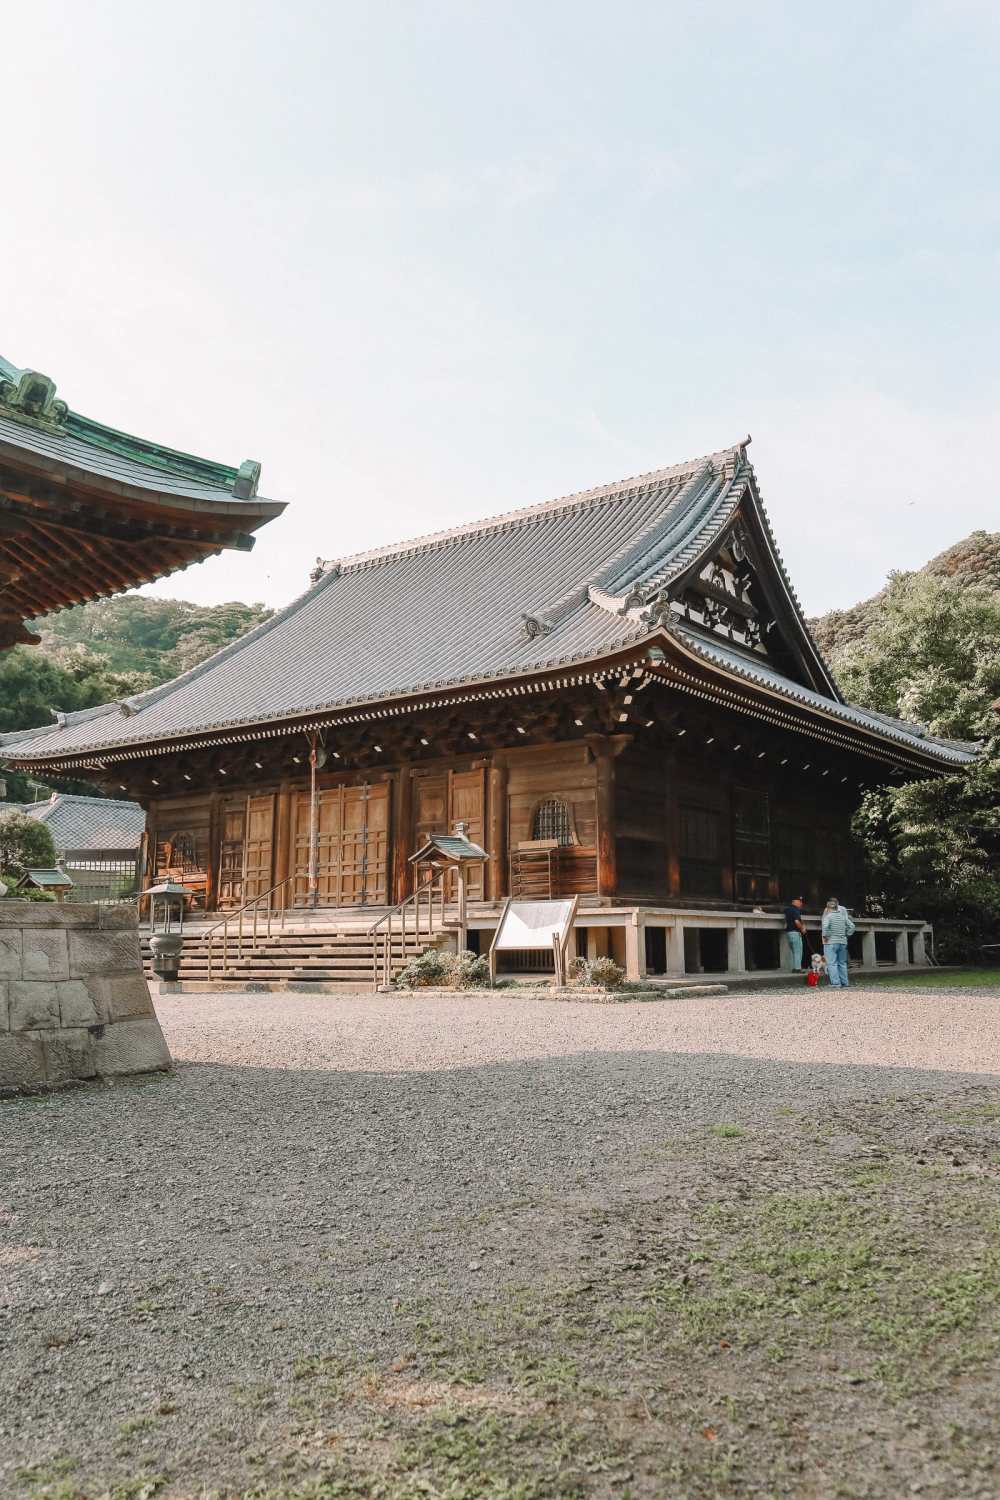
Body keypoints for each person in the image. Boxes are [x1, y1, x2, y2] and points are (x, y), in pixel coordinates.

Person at [821, 897, 856, 988]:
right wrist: (847, 934)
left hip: (831, 942)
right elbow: (852, 926)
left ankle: (836, 983)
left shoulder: (828, 916)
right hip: (843, 942)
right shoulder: (842, 917)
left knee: (832, 963)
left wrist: (826, 936)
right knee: (842, 963)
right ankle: (845, 982)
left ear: (829, 908)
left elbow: (825, 927)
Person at [783, 896, 807, 971]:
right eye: (799, 901)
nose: (801, 903)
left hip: (789, 933)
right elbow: (796, 921)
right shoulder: (795, 910)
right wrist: (802, 929)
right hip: (795, 932)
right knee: (798, 951)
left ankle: (794, 968)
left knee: (793, 951)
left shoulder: (787, 910)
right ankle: (797, 968)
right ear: (794, 902)